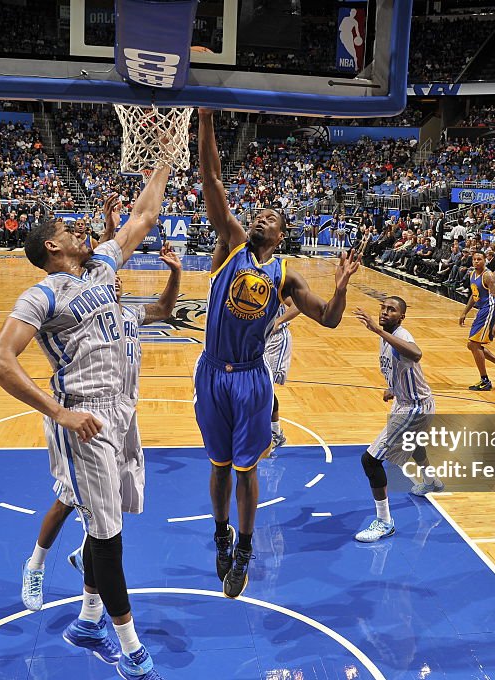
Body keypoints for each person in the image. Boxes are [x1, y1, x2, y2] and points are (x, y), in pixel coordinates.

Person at [0, 166, 171, 679]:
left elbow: (144, 215)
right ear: (51, 246)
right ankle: (130, 649)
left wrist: (164, 161)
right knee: (107, 536)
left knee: (112, 521)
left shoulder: (103, 267)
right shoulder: (40, 296)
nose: (80, 230)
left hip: (123, 408)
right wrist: (59, 412)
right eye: (69, 229)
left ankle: (88, 620)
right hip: (84, 414)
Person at [197, 108, 360, 599]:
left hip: (250, 378)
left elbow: (329, 318)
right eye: (258, 212)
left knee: (246, 468)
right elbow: (212, 177)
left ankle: (244, 549)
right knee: (218, 465)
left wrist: (343, 286)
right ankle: (220, 536)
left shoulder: (286, 274)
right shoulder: (231, 245)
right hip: (211, 373)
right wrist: (206, 119)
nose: (260, 214)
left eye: (271, 215)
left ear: (282, 233)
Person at [21, 242, 183, 613]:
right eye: (108, 281)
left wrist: (175, 272)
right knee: (65, 501)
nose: (115, 283)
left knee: (107, 511)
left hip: (121, 418)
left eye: (117, 281)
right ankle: (35, 564)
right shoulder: (87, 309)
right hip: (89, 418)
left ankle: (86, 562)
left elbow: (163, 308)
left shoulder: (127, 315)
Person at [353, 297, 438, 543]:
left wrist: (377, 329)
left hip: (415, 407)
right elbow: (402, 368)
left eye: (392, 310)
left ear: (401, 317)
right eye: (383, 308)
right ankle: (431, 480)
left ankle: (384, 522)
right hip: (407, 401)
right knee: (413, 443)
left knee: (370, 461)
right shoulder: (387, 337)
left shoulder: (400, 335)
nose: (384, 312)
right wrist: (394, 387)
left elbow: (416, 354)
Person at [459, 252, 495, 391]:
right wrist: (465, 312)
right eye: (474, 259)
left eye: (479, 259)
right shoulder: (472, 274)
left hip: (490, 309)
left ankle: (485, 381)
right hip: (482, 310)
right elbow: (474, 294)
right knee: (472, 345)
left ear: (485, 261)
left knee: (473, 344)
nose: (476, 261)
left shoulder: (488, 275)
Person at [265, 299, 301, 456]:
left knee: (265, 388)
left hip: (276, 339)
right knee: (261, 387)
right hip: (258, 338)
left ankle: (270, 436)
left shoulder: (275, 280)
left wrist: (279, 321)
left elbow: (299, 304)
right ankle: (276, 432)